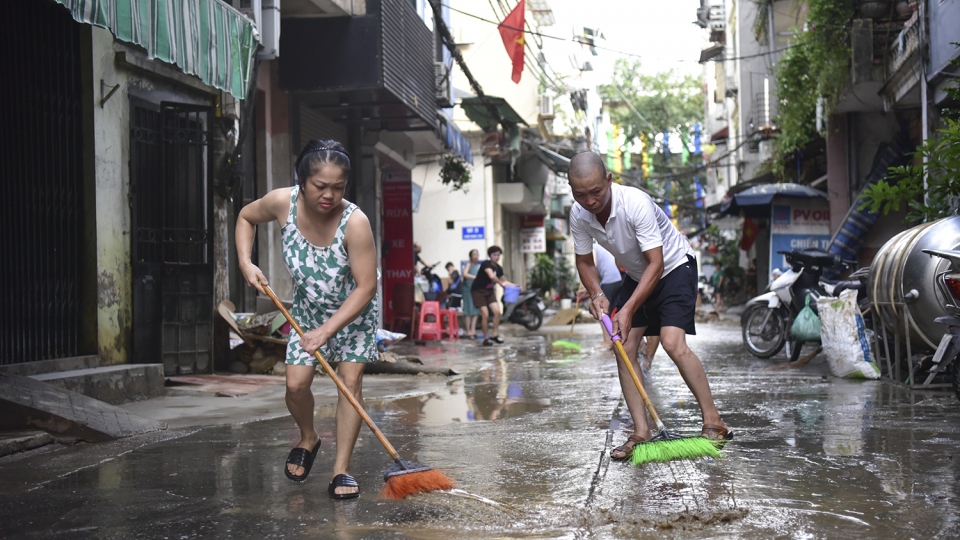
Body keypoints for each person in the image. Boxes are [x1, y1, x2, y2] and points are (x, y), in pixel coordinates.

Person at [236, 139, 378, 499]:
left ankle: (341, 469)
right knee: (296, 386)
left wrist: (327, 331)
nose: (329, 195)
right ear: (302, 182)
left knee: (349, 385)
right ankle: (308, 437)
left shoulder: (355, 222)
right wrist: (245, 261)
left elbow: (366, 288)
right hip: (307, 310)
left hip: (352, 315)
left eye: (338, 187)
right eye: (320, 186)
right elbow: (245, 217)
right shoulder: (282, 202)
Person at [567, 151, 730, 461]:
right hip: (638, 274)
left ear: (609, 180)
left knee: (671, 342)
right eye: (580, 195)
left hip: (672, 268)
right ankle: (641, 431)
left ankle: (714, 421)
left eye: (596, 192)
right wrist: (596, 293)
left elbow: (656, 263)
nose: (589, 201)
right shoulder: (578, 215)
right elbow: (584, 261)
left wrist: (626, 309)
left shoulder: (635, 204)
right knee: (623, 346)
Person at [471, 246, 517, 346]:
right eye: (494, 255)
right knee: (485, 314)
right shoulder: (486, 264)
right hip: (478, 291)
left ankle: (494, 335)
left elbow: (504, 281)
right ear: (490, 256)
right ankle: (486, 338)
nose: (496, 257)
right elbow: (491, 276)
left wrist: (514, 285)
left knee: (497, 312)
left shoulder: (499, 268)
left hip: (489, 291)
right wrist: (501, 284)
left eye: (498, 255)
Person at [594, 243, 623, 349]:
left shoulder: (593, 247)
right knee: (615, 311)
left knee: (602, 310)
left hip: (608, 281)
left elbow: (593, 265)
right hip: (620, 279)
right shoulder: (607, 245)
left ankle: (607, 341)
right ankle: (618, 338)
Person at [461, 249, 482, 339]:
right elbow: (465, 274)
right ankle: (468, 331)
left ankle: (473, 330)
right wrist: (475, 277)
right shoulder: (468, 265)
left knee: (476, 311)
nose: (476, 256)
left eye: (477, 254)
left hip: (475, 290)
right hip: (468, 290)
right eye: (474, 254)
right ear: (470, 256)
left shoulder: (477, 266)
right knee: (468, 311)